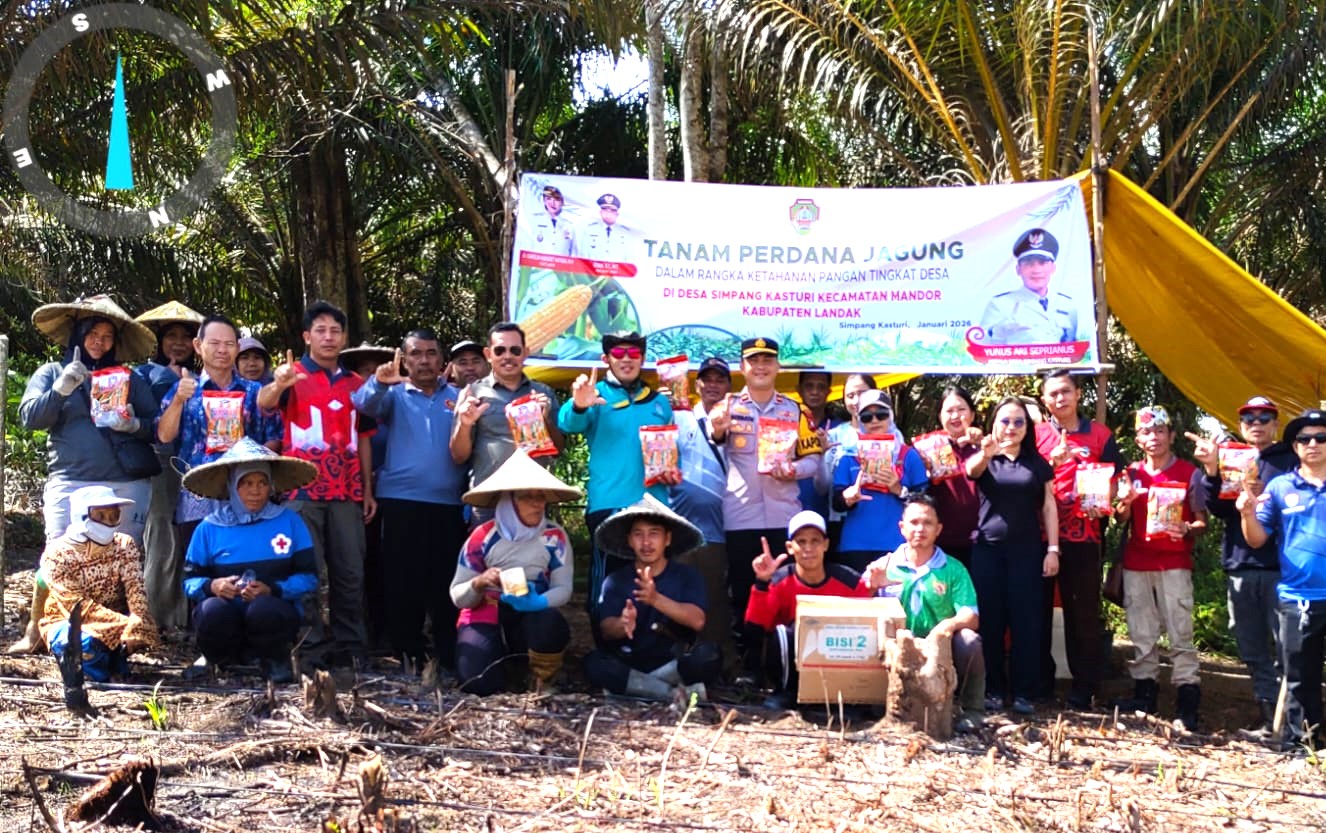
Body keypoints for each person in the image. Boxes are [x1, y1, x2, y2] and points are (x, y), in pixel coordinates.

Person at [9, 296, 159, 655]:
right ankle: (36, 629)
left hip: (125, 482)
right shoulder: (51, 372)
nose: (99, 342)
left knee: (122, 559)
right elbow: (30, 418)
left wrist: (132, 424)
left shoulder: (131, 378)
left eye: (107, 336)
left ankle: (117, 635)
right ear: (78, 334)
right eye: (92, 334)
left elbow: (158, 427)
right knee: (56, 554)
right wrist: (61, 389)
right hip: (70, 480)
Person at [257, 301, 377, 669]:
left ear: (344, 337)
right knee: (306, 572)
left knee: (350, 572)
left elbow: (365, 437)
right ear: (307, 336)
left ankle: (351, 646)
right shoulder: (290, 376)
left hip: (347, 490)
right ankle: (309, 648)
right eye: (320, 330)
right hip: (301, 490)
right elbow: (264, 404)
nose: (328, 337)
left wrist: (367, 489)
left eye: (335, 331)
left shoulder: (357, 384)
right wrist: (278, 384)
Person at [154, 314, 282, 632]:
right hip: (195, 496)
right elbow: (164, 436)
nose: (222, 350)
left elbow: (274, 433)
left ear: (237, 347)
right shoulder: (184, 389)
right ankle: (206, 636)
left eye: (229, 344)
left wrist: (257, 465)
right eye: (214, 343)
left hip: (246, 495)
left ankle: (252, 635)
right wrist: (178, 401)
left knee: (249, 563)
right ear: (199, 346)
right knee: (200, 569)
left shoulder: (253, 390)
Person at [352, 331, 468, 674]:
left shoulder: (460, 397)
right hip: (400, 501)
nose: (424, 360)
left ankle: (448, 653)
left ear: (442, 359)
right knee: (403, 580)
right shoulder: (394, 394)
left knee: (446, 579)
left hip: (449, 503)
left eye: (431, 353)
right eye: (416, 354)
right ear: (404, 359)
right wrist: (379, 381)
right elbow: (363, 405)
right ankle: (408, 652)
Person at [709, 337, 823, 676]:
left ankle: (788, 664)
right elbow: (713, 447)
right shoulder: (727, 407)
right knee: (745, 592)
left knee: (786, 589)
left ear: (777, 367)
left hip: (784, 517)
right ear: (742, 367)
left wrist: (793, 470)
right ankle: (749, 666)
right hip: (740, 516)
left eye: (767, 360)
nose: (760, 367)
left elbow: (813, 460)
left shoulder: (795, 410)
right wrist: (717, 430)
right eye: (753, 360)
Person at [1190, 395, 1295, 735]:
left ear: (1276, 424)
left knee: (1288, 647)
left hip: (1283, 568)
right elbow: (1218, 510)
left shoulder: (1291, 460)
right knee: (1250, 646)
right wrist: (1211, 471)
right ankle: (1269, 718)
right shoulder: (1231, 458)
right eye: (1249, 418)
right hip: (1240, 564)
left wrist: (1270, 495)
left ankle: (1293, 723)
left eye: (1265, 418)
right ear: (1240, 425)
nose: (1257, 424)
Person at [559, 331, 678, 626]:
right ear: (606, 359)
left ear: (643, 358)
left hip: (653, 506)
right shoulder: (595, 395)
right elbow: (568, 424)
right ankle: (605, 645)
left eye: (633, 353)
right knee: (607, 584)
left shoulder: (660, 403)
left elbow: (671, 454)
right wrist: (579, 404)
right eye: (618, 353)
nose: (626, 359)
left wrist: (673, 472)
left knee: (653, 582)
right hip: (608, 505)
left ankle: (648, 644)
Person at [181, 439, 319, 683]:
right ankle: (220, 661)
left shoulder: (290, 522)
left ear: (271, 486)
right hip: (225, 617)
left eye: (262, 483)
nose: (255, 491)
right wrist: (213, 586)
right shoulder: (209, 528)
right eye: (246, 483)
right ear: (232, 486)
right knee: (212, 611)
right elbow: (189, 581)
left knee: (263, 609)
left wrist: (273, 589)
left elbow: (309, 577)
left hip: (273, 614)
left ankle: (274, 660)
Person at [450, 451, 579, 695]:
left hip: (532, 611)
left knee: (551, 623)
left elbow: (563, 587)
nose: (537, 504)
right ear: (509, 500)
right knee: (479, 682)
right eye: (528, 496)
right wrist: (479, 583)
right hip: (487, 607)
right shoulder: (482, 536)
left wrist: (539, 602)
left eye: (541, 496)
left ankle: (538, 676)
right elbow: (458, 595)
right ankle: (498, 664)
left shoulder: (555, 536)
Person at [1112, 406, 1208, 730]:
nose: (1153, 437)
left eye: (1160, 431)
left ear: (1171, 435)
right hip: (1137, 563)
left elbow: (1202, 522)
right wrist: (1125, 503)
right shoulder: (1131, 473)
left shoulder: (1189, 473)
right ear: (1138, 439)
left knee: (1180, 632)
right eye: (1146, 432)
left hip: (1174, 564)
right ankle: (1144, 695)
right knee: (1141, 632)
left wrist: (1187, 528)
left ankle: (1187, 702)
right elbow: (1120, 519)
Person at [1035, 369, 1126, 707]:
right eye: (1053, 393)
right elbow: (1024, 475)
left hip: (1085, 537)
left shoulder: (1100, 435)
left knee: (1082, 614)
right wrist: (1051, 460)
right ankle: (1039, 683)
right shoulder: (1035, 435)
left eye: (1066, 391)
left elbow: (1119, 478)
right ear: (1044, 400)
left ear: (1078, 394)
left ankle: (1084, 687)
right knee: (1037, 612)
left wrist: (1107, 498)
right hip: (1038, 537)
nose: (1060, 398)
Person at [966, 396, 1059, 716]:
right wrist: (986, 452)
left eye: (1019, 422)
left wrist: (1053, 550)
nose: (1011, 427)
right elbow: (971, 471)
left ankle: (1024, 692)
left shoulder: (1038, 463)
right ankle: (992, 689)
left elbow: (1049, 507)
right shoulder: (986, 458)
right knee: (990, 622)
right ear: (994, 424)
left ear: (1027, 428)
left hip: (1027, 552)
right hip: (987, 551)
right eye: (1005, 420)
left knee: (1026, 623)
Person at [1240, 407, 1326, 752]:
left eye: (1321, 437)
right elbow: (1256, 539)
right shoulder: (1279, 487)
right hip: (1298, 597)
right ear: (1294, 447)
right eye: (1304, 439)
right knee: (1300, 677)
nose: (1313, 444)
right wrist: (1247, 513)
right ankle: (1301, 746)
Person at [865, 495, 985, 732]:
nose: (920, 529)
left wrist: (947, 626)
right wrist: (870, 589)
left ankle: (972, 709)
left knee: (969, 641)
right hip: (896, 649)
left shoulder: (953, 569)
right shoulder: (884, 566)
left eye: (927, 523)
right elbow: (856, 612)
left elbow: (971, 617)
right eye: (914, 522)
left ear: (938, 529)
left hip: (939, 648)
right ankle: (870, 701)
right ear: (902, 527)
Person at [586, 496, 719, 702]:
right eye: (638, 534)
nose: (646, 542)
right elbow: (606, 630)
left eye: (654, 533)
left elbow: (697, 620)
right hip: (630, 663)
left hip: (673, 664)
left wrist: (656, 599)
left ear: (667, 539)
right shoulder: (616, 580)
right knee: (594, 663)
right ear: (630, 540)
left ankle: (639, 690)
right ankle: (669, 693)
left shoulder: (687, 575)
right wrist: (623, 623)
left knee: (709, 655)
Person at [746, 510, 871, 709]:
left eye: (815, 541)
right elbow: (754, 631)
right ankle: (787, 692)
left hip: (839, 656)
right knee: (783, 634)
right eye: (801, 542)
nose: (808, 548)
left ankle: (849, 699)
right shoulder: (779, 580)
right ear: (790, 547)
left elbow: (870, 623)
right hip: (796, 664)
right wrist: (762, 582)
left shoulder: (849, 582)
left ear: (826, 545)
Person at [133, 301, 203, 637]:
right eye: (171, 336)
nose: (178, 343)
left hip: (195, 465)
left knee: (191, 536)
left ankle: (188, 616)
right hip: (159, 462)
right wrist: (168, 383)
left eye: (185, 337)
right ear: (159, 341)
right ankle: (157, 616)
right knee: (161, 535)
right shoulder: (142, 374)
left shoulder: (204, 379)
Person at [40, 486, 159, 682]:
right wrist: (126, 626)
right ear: (81, 515)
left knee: (118, 651)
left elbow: (136, 590)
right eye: (101, 516)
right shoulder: (57, 554)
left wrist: (139, 620)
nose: (109, 522)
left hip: (119, 619)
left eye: (114, 516)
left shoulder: (124, 544)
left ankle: (113, 659)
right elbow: (77, 607)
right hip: (66, 621)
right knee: (83, 645)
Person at [450, 322, 564, 522]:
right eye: (500, 350)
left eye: (515, 350)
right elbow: (458, 456)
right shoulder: (472, 393)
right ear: (489, 354)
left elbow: (558, 449)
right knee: (488, 545)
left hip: (533, 499)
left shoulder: (543, 393)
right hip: (488, 500)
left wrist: (545, 420)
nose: (507, 356)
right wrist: (465, 424)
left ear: (525, 353)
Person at [668, 374, 735, 667]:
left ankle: (715, 661)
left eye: (720, 380)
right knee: (674, 593)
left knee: (714, 595)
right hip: (679, 527)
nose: (713, 385)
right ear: (697, 386)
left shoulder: (740, 420)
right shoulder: (677, 416)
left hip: (718, 527)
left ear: (729, 387)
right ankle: (673, 659)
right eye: (707, 380)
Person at [832, 390, 929, 573]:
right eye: (867, 417)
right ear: (859, 421)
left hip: (897, 544)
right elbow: (836, 503)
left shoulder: (908, 455)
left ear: (890, 416)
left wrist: (899, 490)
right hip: (855, 544)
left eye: (881, 414)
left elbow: (926, 502)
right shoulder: (849, 456)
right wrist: (848, 498)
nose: (874, 420)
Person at [979, 228, 1082, 345]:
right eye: (1028, 263)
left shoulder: (1067, 305)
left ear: (1053, 268)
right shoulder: (1000, 304)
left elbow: (1074, 346)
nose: (1036, 270)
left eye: (1042, 263)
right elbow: (981, 344)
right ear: (1018, 269)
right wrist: (1000, 331)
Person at [926, 385, 984, 567]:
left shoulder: (985, 446)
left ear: (972, 414)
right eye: (949, 411)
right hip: (941, 541)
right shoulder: (927, 448)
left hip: (981, 540)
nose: (955, 416)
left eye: (961, 409)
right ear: (940, 416)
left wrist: (982, 444)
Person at [822, 373, 879, 549]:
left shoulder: (892, 435)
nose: (856, 401)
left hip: (878, 520)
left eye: (862, 393)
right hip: (840, 521)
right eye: (850, 395)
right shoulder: (832, 436)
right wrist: (820, 457)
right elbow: (822, 487)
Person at [796, 370, 837, 517]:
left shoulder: (839, 429)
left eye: (821, 387)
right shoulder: (787, 425)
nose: (815, 392)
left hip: (828, 513)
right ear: (799, 390)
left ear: (829, 391)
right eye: (809, 386)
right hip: (792, 510)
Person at [572, 193, 636, 262]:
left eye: (612, 210)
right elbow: (583, 254)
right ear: (600, 212)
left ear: (617, 213)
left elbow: (629, 258)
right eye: (605, 209)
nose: (608, 213)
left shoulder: (625, 233)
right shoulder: (590, 230)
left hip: (617, 268)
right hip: (593, 268)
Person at [526, 185, 575, 256]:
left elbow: (573, 252)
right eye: (549, 198)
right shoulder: (534, 221)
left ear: (562, 203)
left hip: (560, 262)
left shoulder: (569, 225)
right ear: (544, 201)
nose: (552, 203)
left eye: (557, 199)